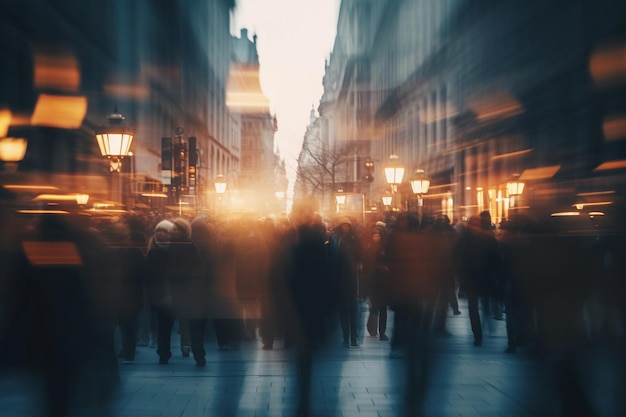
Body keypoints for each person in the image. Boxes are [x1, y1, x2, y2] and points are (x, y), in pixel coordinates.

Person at [454, 211, 503, 347]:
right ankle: (481, 331)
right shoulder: (488, 238)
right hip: (483, 277)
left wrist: (460, 276)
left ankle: (478, 335)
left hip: (472, 277)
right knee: (482, 304)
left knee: (474, 307)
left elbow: (457, 259)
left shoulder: (463, 239)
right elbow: (497, 259)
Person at [327, 216, 362, 347]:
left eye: (347, 226)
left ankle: (353, 337)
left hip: (352, 279)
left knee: (353, 311)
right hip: (340, 279)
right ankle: (346, 336)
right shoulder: (335, 240)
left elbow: (360, 254)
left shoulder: (354, 239)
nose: (345, 228)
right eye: (343, 226)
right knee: (344, 311)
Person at [363, 223, 390, 341]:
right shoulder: (369, 249)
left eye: (378, 235)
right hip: (373, 282)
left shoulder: (385, 250)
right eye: (375, 235)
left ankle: (382, 332)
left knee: (383, 309)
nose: (376, 237)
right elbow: (366, 266)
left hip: (384, 282)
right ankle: (372, 328)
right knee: (374, 307)